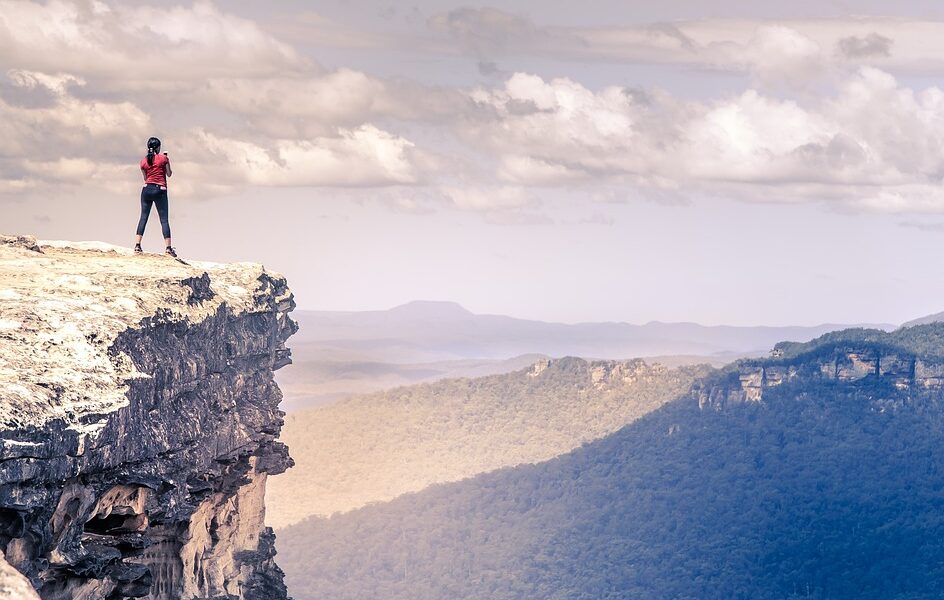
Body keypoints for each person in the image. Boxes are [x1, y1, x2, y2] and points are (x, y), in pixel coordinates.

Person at [134, 136, 177, 257]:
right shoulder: (163, 158)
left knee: (143, 217)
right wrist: (167, 160)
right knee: (164, 220)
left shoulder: (143, 161)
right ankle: (168, 249)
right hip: (160, 190)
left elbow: (146, 178)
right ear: (158, 147)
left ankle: (137, 246)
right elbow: (169, 174)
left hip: (147, 189)